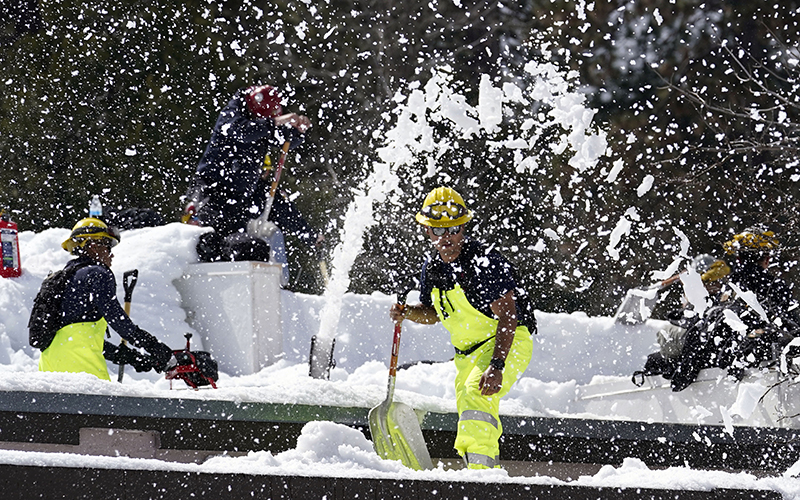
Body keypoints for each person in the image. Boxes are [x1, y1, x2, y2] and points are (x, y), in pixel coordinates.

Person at [389, 187, 535, 470]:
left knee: (476, 393)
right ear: (427, 232)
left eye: (453, 229)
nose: (446, 238)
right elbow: (434, 313)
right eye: (438, 231)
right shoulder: (432, 268)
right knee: (470, 411)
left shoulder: (484, 263)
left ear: (464, 227)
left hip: (506, 341)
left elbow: (508, 316)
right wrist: (406, 313)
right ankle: (478, 469)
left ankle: (481, 479)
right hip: (466, 355)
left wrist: (497, 365)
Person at [183, 84, 321, 286]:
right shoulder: (233, 116)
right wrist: (274, 122)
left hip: (242, 195)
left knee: (254, 235)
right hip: (213, 192)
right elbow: (242, 131)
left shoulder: (264, 128)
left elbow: (283, 138)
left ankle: (276, 282)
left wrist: (298, 131)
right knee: (210, 243)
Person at [37, 218, 175, 381]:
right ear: (94, 245)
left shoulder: (66, 275)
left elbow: (77, 336)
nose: (112, 254)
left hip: (50, 363)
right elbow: (115, 317)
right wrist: (153, 346)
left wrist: (129, 357)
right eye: (108, 246)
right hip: (80, 364)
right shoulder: (98, 273)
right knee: (109, 406)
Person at [666, 227, 799, 391]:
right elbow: (792, 324)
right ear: (766, 259)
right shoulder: (776, 287)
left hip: (715, 364)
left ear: (740, 259)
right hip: (764, 368)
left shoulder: (730, 287)